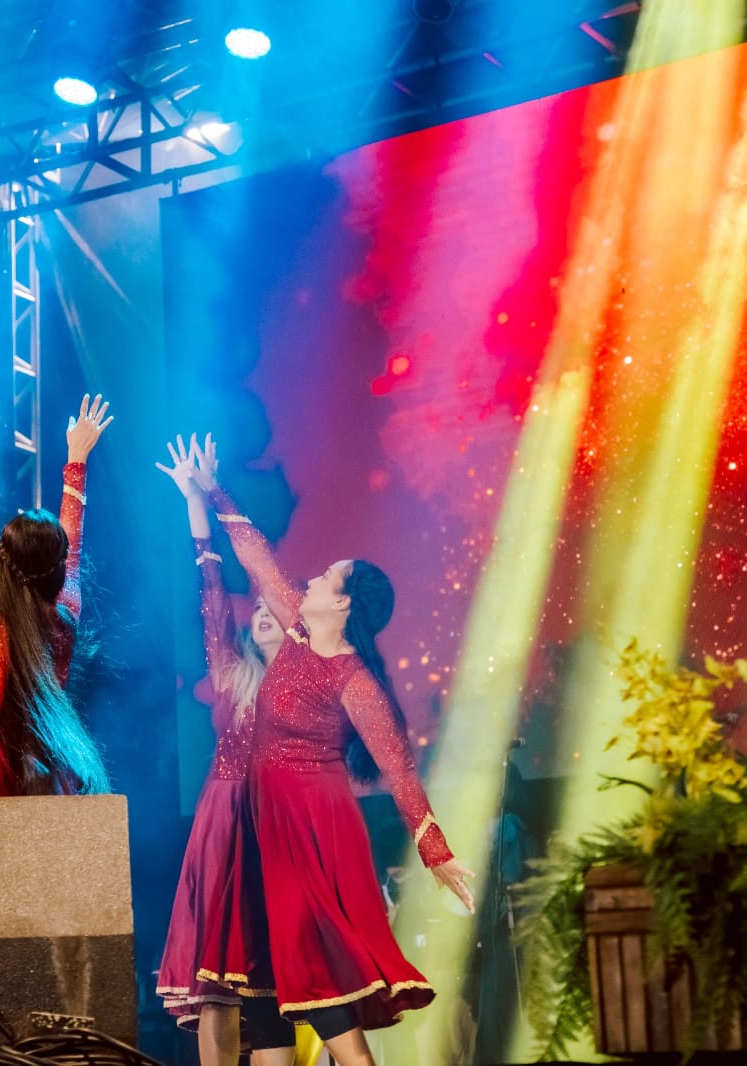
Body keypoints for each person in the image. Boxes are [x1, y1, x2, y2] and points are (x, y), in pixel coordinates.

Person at [189, 437, 474, 1066]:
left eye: (326, 576)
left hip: (309, 831)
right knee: (263, 986)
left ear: (341, 602)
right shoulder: (296, 630)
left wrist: (437, 853)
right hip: (264, 826)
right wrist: (212, 490)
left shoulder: (353, 679)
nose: (313, 577)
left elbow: (400, 770)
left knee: (317, 981)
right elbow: (256, 558)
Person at [153, 436, 286, 1066]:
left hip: (279, 824)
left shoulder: (308, 683)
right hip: (227, 823)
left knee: (274, 979)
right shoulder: (234, 673)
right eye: (255, 608)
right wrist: (195, 502)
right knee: (220, 979)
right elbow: (211, 588)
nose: (260, 612)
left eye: (272, 606)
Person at [0, 394, 113, 798]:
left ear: (2, 560)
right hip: (52, 769)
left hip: (5, 781)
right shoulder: (65, 612)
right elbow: (72, 541)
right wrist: (77, 459)